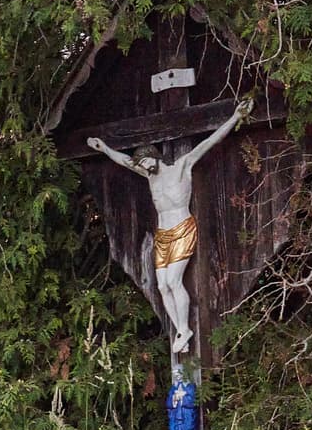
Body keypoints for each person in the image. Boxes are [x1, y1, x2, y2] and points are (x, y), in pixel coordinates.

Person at [87, 95, 254, 355]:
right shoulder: (149, 177)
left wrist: (236, 117)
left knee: (175, 281)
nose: (143, 167)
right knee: (162, 285)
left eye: (145, 162)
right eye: (140, 164)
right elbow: (123, 160)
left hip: (182, 228)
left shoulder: (182, 166)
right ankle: (181, 330)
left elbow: (211, 141)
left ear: (154, 157)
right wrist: (104, 148)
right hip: (163, 234)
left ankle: (185, 328)